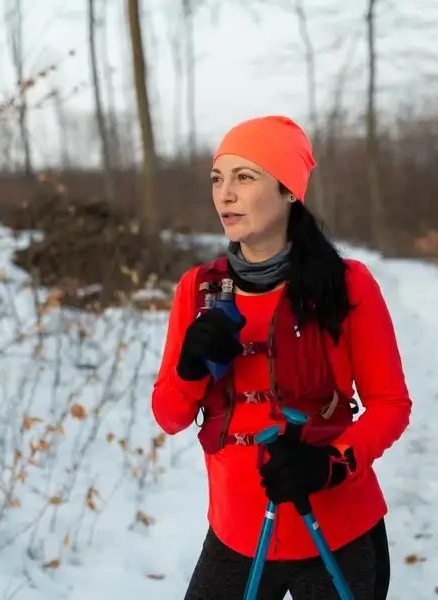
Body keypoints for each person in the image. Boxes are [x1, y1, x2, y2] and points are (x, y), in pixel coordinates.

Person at [150, 115, 412, 600]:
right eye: (217, 178)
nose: (224, 194)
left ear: (289, 190)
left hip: (337, 532)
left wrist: (331, 464)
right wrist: (189, 370)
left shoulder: (347, 283)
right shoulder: (200, 289)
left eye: (244, 177)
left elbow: (391, 405)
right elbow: (169, 416)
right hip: (236, 535)